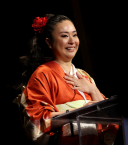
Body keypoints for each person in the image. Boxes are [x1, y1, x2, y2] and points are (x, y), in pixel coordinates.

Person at [18, 14, 118, 145]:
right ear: (49, 42)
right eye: (65, 36)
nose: (72, 41)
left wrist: (93, 90)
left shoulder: (84, 75)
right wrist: (81, 112)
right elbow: (37, 121)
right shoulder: (43, 74)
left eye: (75, 35)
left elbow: (110, 118)